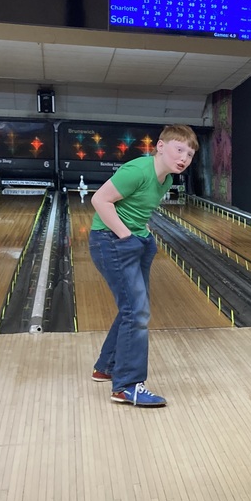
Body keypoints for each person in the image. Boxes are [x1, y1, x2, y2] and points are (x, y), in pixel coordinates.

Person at [89, 124, 197, 407]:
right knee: (136, 311)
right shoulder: (137, 171)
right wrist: (126, 237)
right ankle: (127, 386)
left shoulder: (167, 180)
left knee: (133, 308)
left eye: (189, 154)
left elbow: (137, 210)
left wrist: (144, 236)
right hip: (111, 241)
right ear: (160, 146)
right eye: (179, 149)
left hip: (137, 242)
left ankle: (107, 366)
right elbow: (99, 200)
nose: (184, 158)